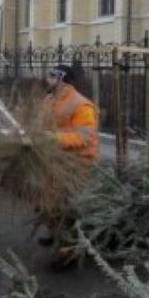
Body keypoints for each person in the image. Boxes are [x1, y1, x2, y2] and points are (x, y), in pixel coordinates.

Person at [40, 64, 99, 268]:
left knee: (65, 207)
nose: (47, 79)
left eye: (52, 75)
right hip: (56, 159)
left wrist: (53, 138)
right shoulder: (49, 100)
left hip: (76, 162)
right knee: (44, 199)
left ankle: (69, 252)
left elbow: (84, 137)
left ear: (63, 79)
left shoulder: (81, 105)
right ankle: (55, 232)